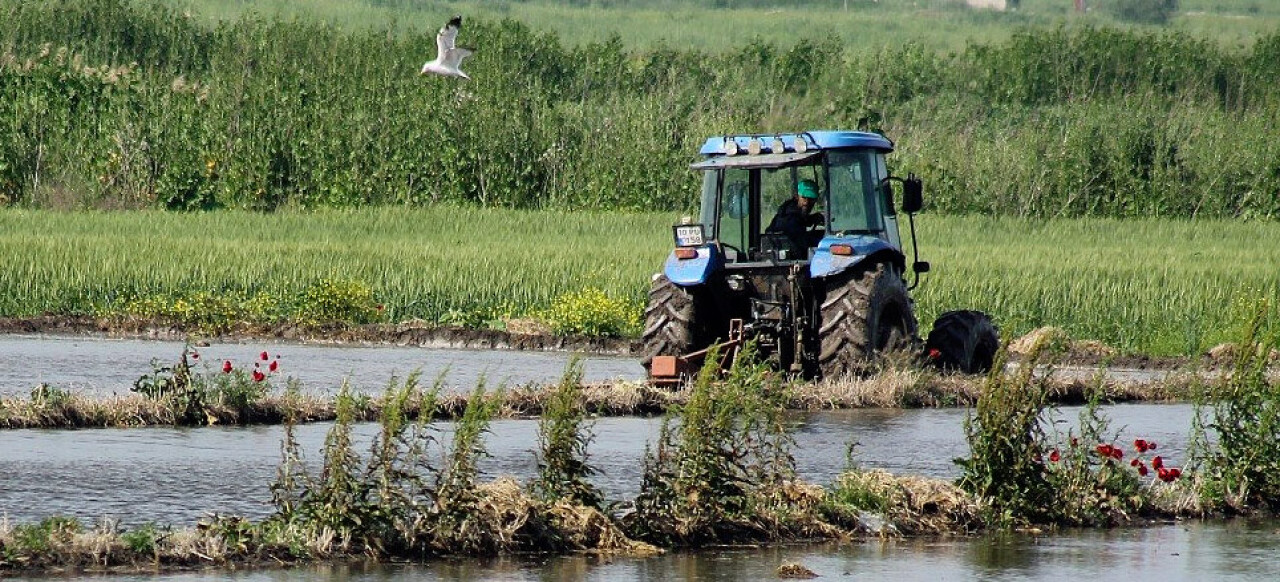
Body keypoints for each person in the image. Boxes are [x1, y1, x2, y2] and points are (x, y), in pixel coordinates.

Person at [765, 178, 824, 253]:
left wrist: (813, 219)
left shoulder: (792, 211)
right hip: (790, 257)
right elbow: (802, 240)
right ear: (797, 196)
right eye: (804, 198)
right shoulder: (789, 218)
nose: (807, 203)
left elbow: (802, 220)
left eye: (811, 199)